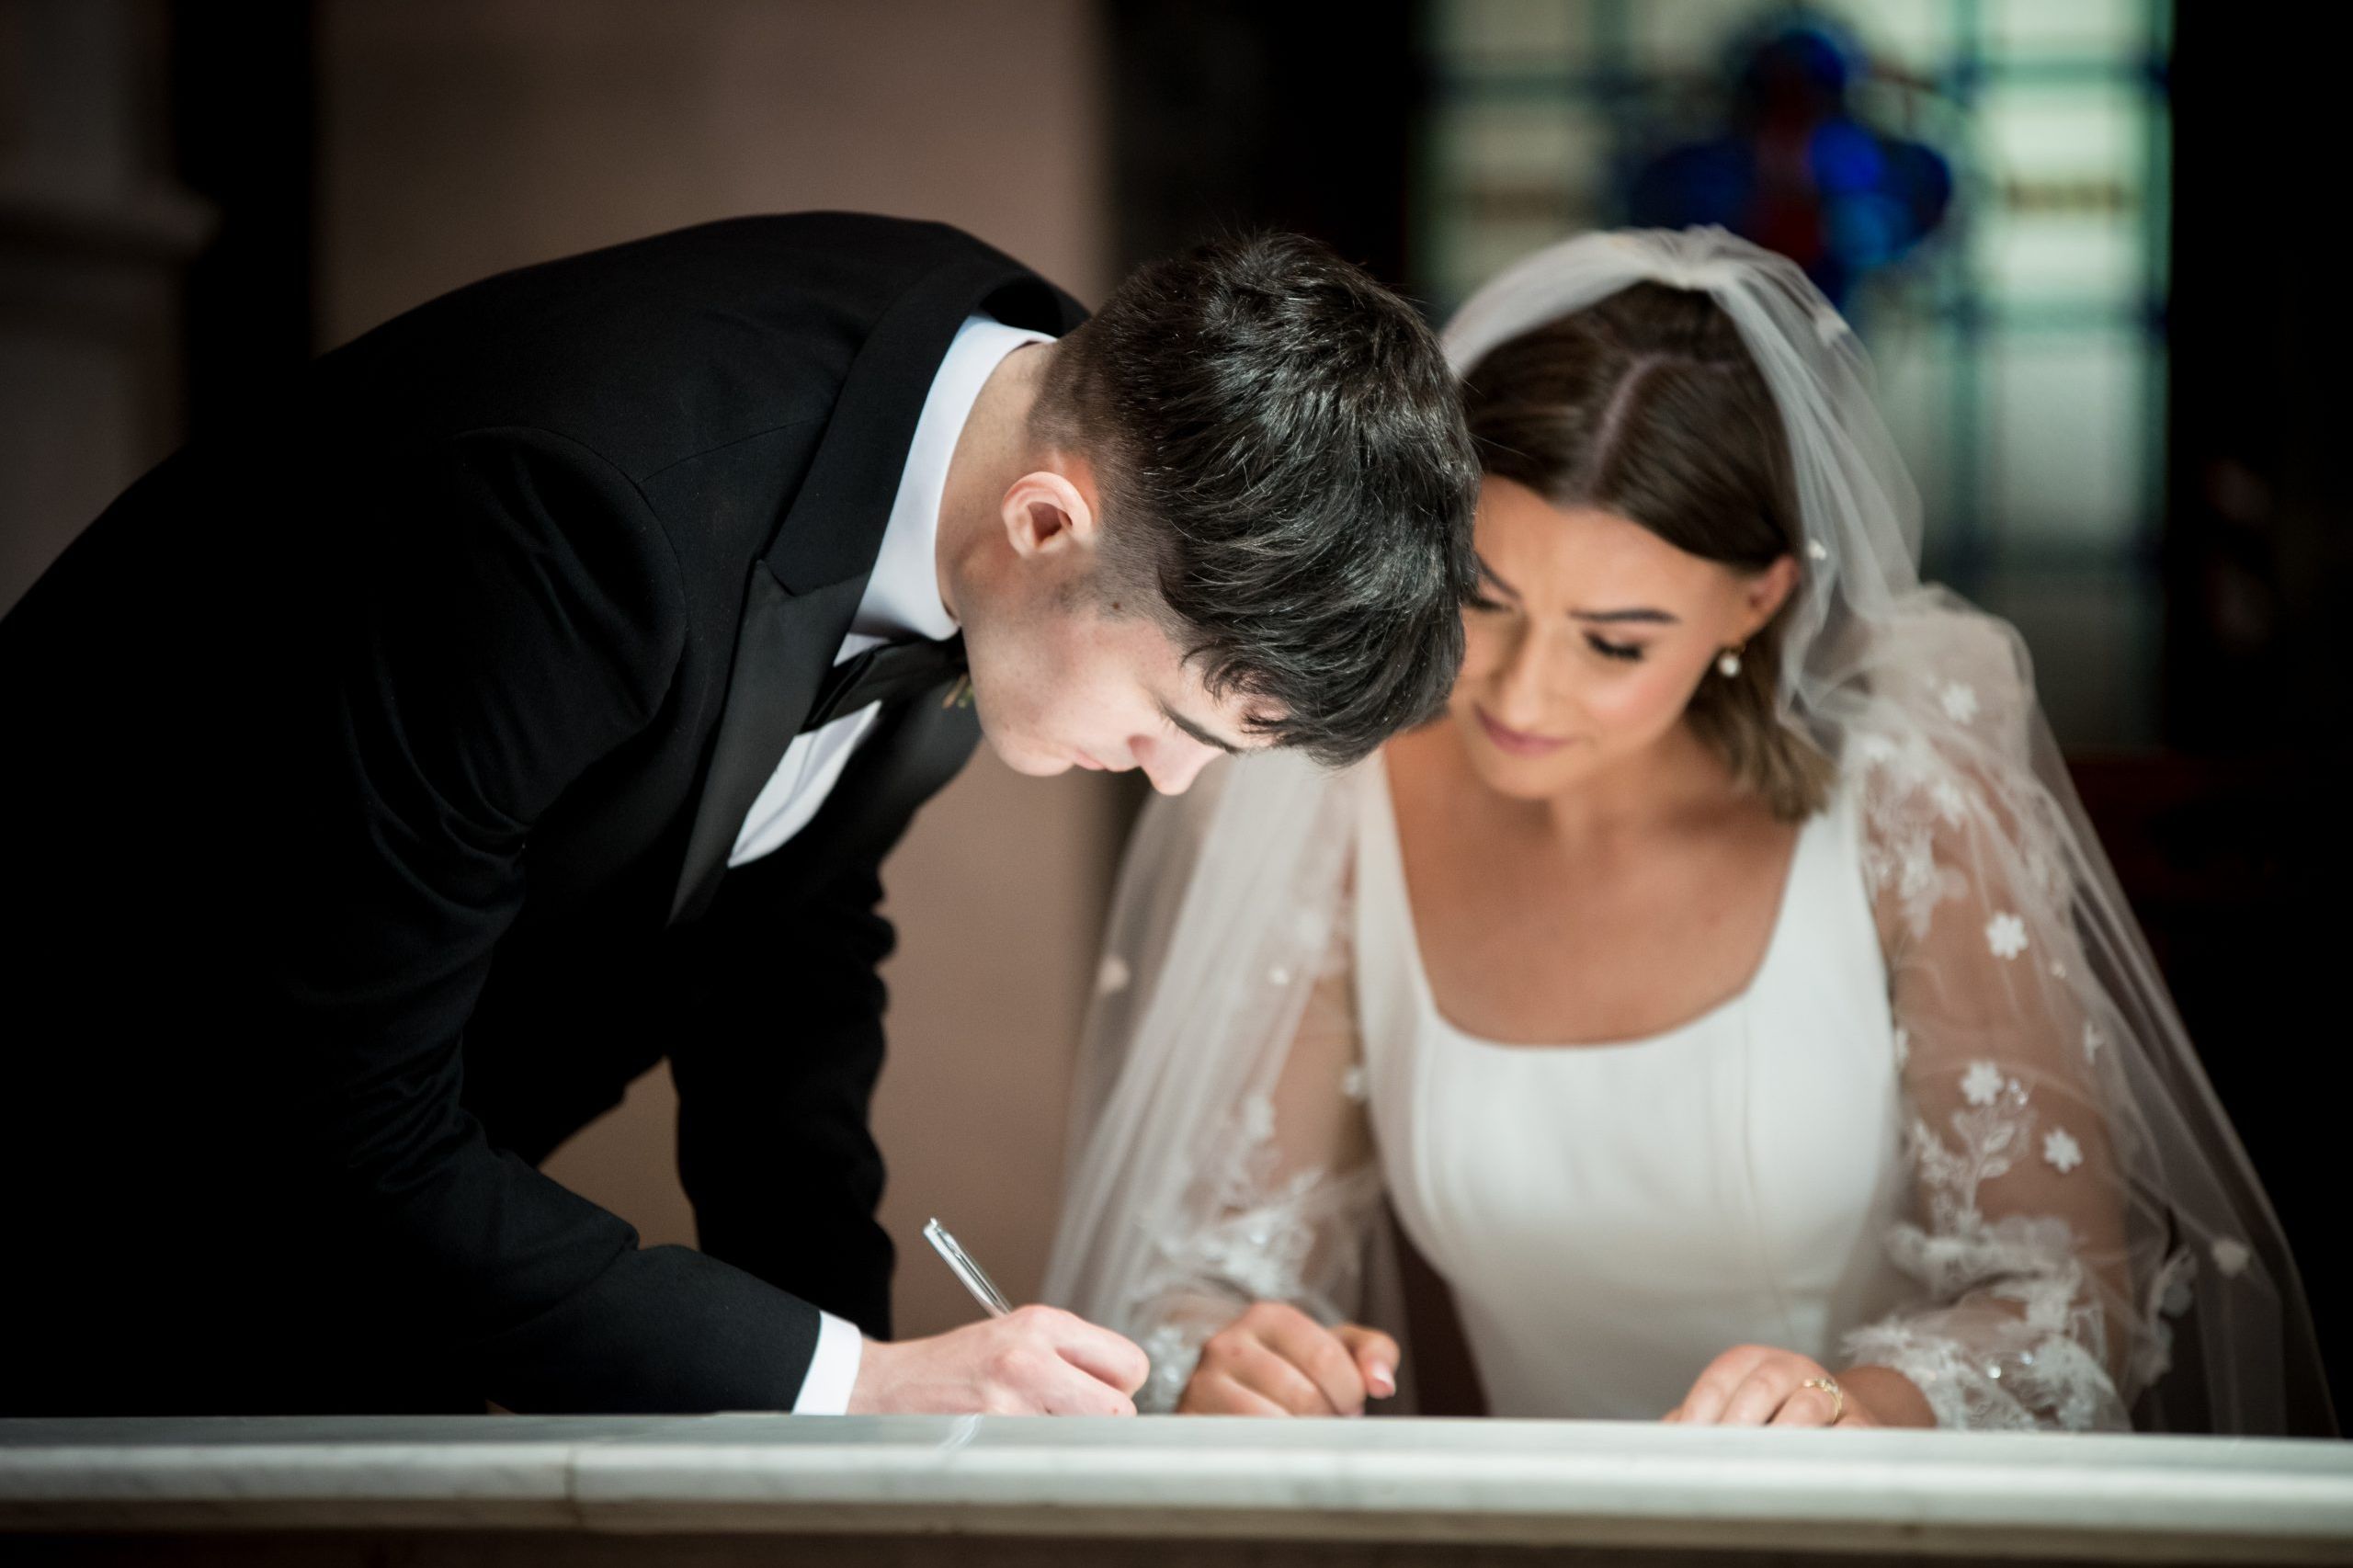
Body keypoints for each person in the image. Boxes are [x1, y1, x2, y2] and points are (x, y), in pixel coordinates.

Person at [0, 212, 1480, 1418]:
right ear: (1044, 523)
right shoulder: (581, 518)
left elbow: (793, 938)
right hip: (90, 1166)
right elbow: (331, 1127)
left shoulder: (1026, 413)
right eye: (1178, 718)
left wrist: (869, 1406)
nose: (1171, 773)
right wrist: (840, 1384)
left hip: (353, 1255)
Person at [1043, 228, 2334, 1435]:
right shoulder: (1339, 799)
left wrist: (1852, 1407)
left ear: (1758, 601)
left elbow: (2064, 1300)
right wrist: (1238, 1353)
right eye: (1483, 600)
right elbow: (1203, 1273)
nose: (1525, 691)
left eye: (1617, 642)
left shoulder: (1908, 811)